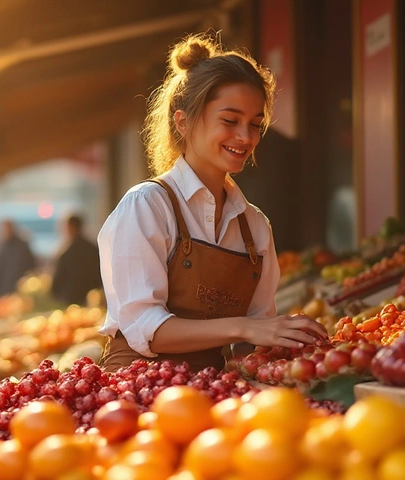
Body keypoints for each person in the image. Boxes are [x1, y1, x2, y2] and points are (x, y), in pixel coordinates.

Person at [98, 33, 327, 373]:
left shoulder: (255, 227)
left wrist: (293, 347)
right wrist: (245, 327)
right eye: (230, 120)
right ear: (183, 121)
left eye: (255, 124)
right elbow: (147, 328)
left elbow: (254, 338)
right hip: (138, 394)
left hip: (214, 393)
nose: (246, 137)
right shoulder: (147, 206)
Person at [52, 214, 102, 306]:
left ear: (71, 227)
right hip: (92, 299)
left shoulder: (66, 252)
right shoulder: (93, 248)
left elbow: (57, 282)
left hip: (70, 300)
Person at [0, 219, 36, 298]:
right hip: (4, 290)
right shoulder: (2, 247)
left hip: (20, 289)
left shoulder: (22, 246)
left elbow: (31, 266)